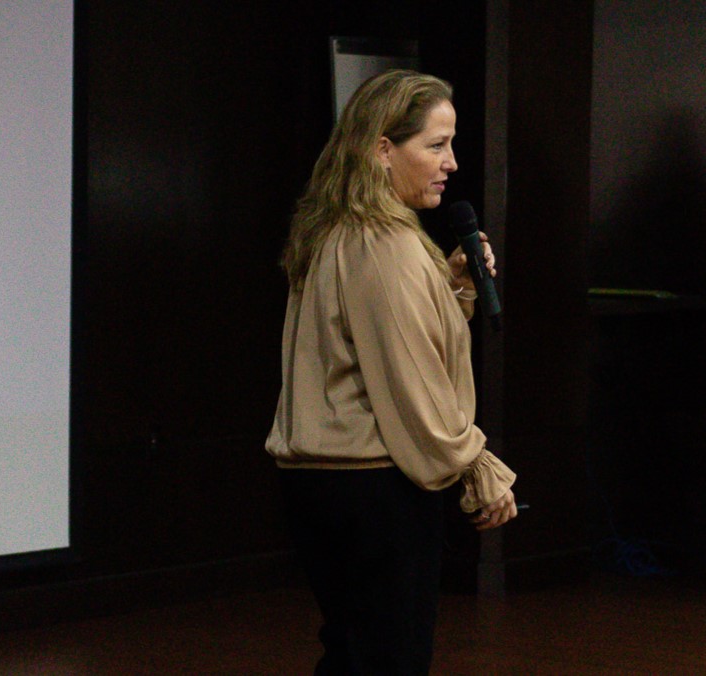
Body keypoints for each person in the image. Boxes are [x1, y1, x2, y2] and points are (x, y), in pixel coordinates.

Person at [265, 69, 518, 675]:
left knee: (352, 655)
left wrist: (452, 287)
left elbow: (381, 346)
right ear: (382, 149)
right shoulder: (388, 244)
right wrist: (476, 467)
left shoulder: (333, 230)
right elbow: (411, 383)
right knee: (390, 660)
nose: (451, 163)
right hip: (374, 488)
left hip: (318, 484)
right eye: (436, 145)